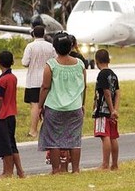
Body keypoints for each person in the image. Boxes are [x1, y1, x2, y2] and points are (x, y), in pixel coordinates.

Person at [38, 32, 87, 174]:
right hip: (75, 107)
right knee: (75, 139)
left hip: (54, 107)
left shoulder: (51, 65)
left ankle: (56, 170)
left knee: (54, 140)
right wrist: (82, 104)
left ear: (55, 48)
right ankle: (76, 169)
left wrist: (40, 105)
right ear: (71, 46)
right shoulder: (80, 64)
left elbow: (45, 87)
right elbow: (84, 86)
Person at [0, 51, 25, 178]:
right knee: (12, 145)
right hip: (11, 115)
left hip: (2, 116)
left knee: (5, 146)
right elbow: (5, 82)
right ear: (12, 62)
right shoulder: (12, 78)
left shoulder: (2, 82)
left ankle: (7, 172)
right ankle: (20, 172)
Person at [22, 25, 56, 138]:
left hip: (33, 80)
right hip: (48, 79)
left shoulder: (30, 46)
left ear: (33, 34)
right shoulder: (50, 46)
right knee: (47, 106)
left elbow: (25, 62)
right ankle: (48, 131)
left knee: (35, 105)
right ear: (44, 34)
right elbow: (55, 60)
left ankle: (33, 130)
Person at [92, 49, 121, 171]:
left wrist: (110, 108)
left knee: (105, 136)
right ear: (108, 60)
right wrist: (115, 109)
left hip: (103, 110)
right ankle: (114, 164)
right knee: (113, 137)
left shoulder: (102, 74)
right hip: (112, 112)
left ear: (96, 61)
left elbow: (106, 92)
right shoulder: (113, 75)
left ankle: (105, 164)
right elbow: (118, 93)